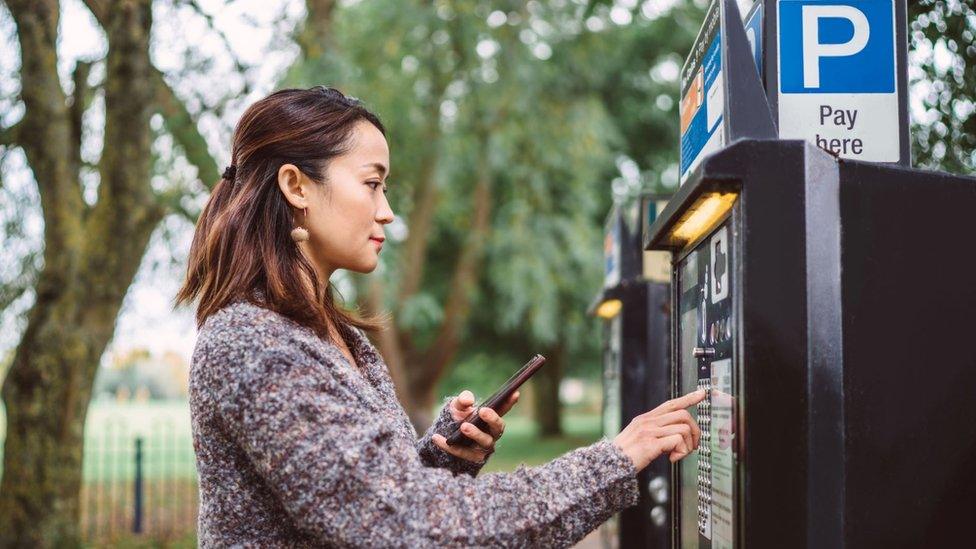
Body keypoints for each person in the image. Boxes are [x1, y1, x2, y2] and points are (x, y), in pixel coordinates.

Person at [176, 86, 705, 548]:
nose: (387, 210)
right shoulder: (251, 344)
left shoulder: (336, 338)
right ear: (297, 187)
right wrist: (615, 459)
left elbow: (365, 506)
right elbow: (405, 525)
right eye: (371, 183)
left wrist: (442, 457)